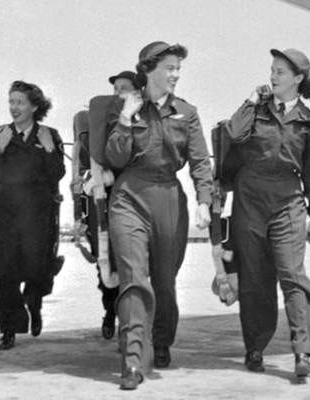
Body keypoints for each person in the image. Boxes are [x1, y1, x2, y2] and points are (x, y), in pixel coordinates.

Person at [105, 41, 212, 390]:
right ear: (148, 70)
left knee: (164, 281)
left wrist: (204, 200)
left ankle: (161, 340)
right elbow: (115, 158)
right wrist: (125, 118)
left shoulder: (187, 112)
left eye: (178, 68)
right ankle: (133, 359)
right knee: (133, 278)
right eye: (169, 68)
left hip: (168, 198)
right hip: (128, 196)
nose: (176, 74)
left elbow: (200, 161)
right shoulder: (125, 106)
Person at [227, 48, 310, 380]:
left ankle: (302, 350)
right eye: (272, 70)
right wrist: (251, 101)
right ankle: (254, 348)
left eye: (280, 72)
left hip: (288, 201)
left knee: (292, 275)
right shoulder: (256, 111)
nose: (273, 76)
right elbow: (233, 133)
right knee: (254, 279)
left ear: (298, 78)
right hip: (250, 200)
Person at [0, 80, 65, 351]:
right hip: (5, 212)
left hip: (38, 214)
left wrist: (49, 149)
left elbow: (57, 174)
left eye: (20, 102)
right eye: (11, 102)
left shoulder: (49, 134)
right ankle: (9, 329)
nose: (14, 107)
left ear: (34, 106)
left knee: (37, 268)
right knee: (4, 272)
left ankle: (34, 302)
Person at [71, 70, 137, 340]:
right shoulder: (95, 122)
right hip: (102, 202)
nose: (118, 93)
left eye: (124, 88)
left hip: (132, 201)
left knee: (132, 264)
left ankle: (129, 319)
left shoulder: (142, 122)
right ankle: (110, 312)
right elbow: (81, 167)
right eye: (115, 88)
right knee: (105, 264)